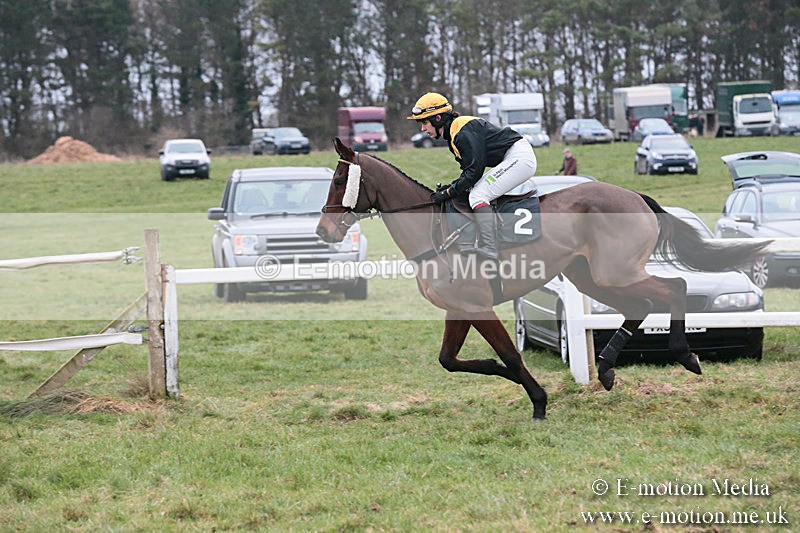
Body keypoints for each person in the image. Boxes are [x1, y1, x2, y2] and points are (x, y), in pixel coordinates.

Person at [407, 92, 538, 260]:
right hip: (513, 157)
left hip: (519, 158)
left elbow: (474, 172)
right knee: (476, 191)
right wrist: (452, 187)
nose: (423, 129)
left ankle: (490, 247)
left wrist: (449, 193)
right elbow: (468, 173)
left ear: (438, 118)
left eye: (424, 122)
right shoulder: (454, 134)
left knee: (478, 195)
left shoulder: (461, 132)